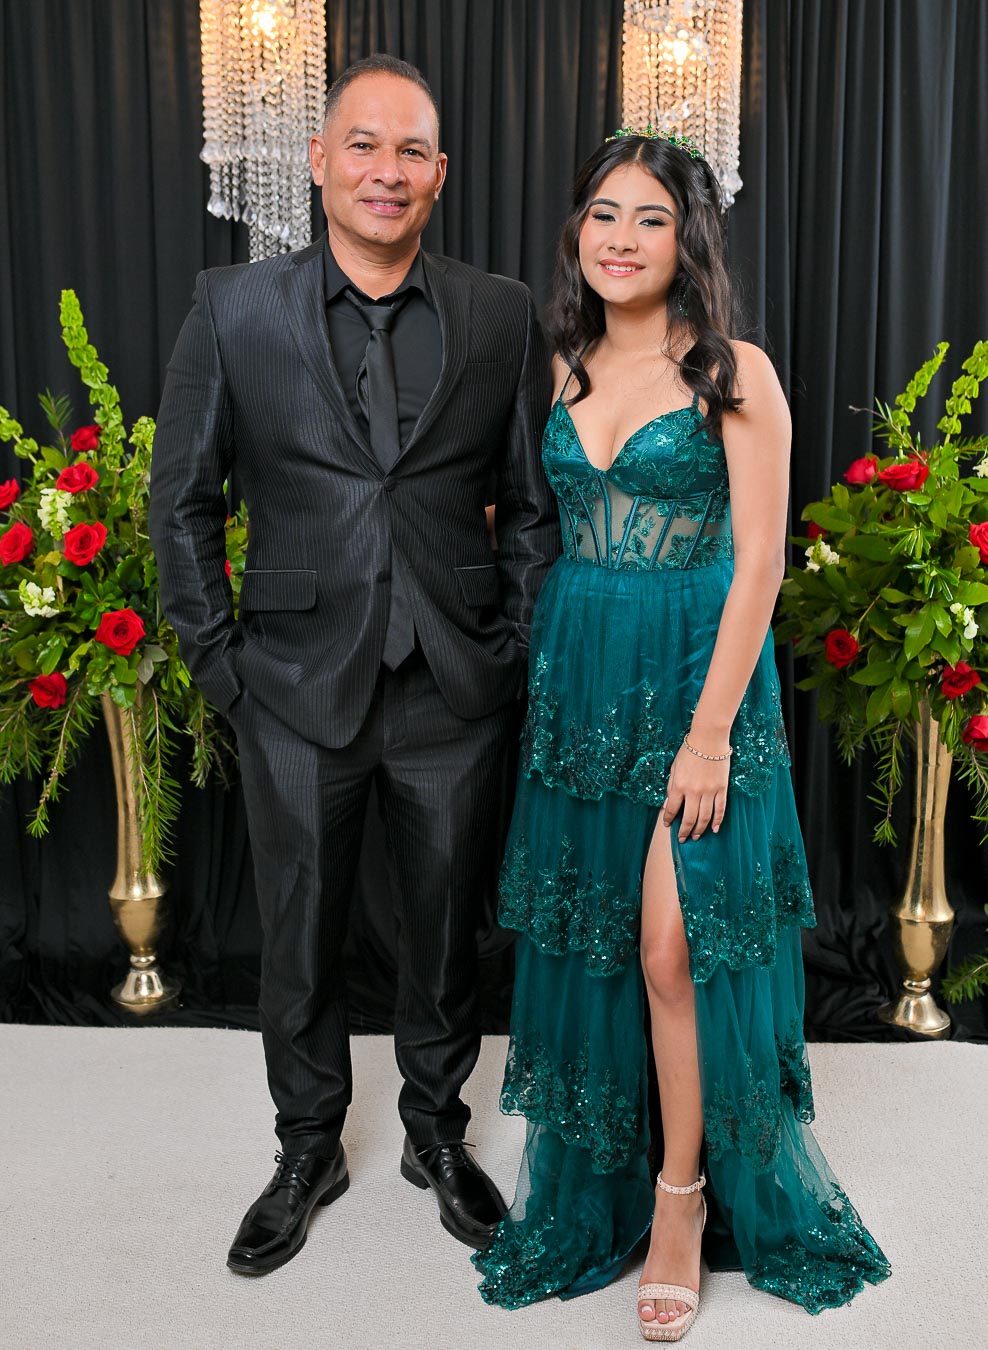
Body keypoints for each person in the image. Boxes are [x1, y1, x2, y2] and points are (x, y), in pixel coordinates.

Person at [472, 129, 891, 1337]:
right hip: (584, 683)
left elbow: (760, 564)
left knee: (670, 949)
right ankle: (615, 1184)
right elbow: (533, 515)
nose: (620, 239)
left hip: (700, 685)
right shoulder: (559, 364)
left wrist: (707, 741)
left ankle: (681, 1199)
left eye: (649, 218)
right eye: (602, 215)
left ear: (687, 238)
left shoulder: (733, 371)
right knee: (601, 946)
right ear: (577, 233)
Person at [148, 54, 558, 1275]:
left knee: (445, 935)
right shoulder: (234, 308)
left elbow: (531, 506)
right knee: (299, 936)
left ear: (440, 173)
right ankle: (307, 1148)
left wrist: (513, 652)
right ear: (320, 161)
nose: (388, 170)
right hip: (288, 685)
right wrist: (221, 668)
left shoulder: (498, 315)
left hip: (454, 685)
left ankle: (437, 1133)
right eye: (364, 146)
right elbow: (182, 502)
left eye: (411, 150)